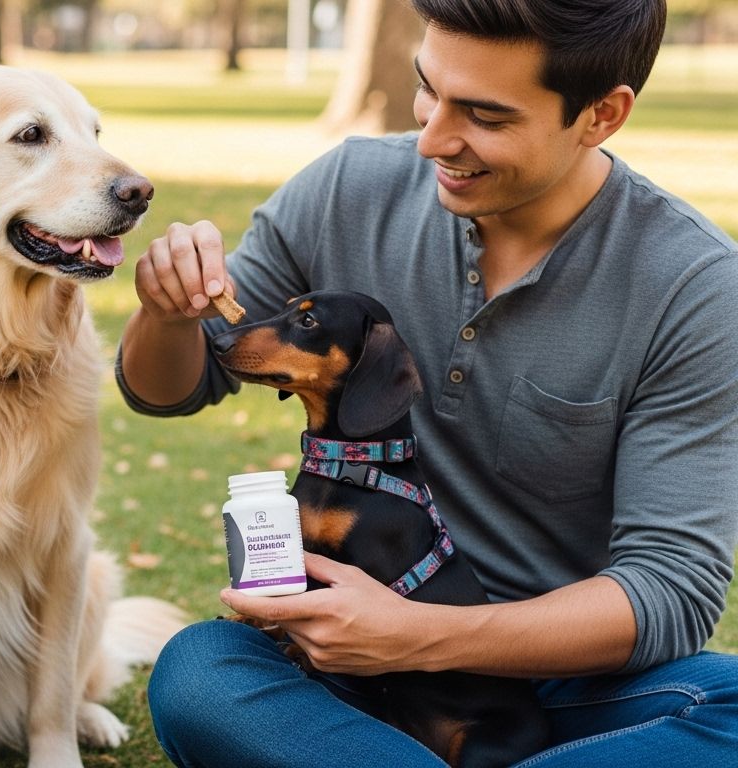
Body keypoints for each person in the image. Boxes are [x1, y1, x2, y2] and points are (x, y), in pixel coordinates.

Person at [120, 0, 738, 764]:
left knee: (731, 708)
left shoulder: (693, 286)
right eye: (428, 89)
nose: (433, 140)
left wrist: (416, 636)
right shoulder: (347, 186)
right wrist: (168, 314)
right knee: (201, 673)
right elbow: (170, 388)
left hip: (550, 678)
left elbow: (670, 592)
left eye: (484, 115)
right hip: (342, 671)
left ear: (601, 115)